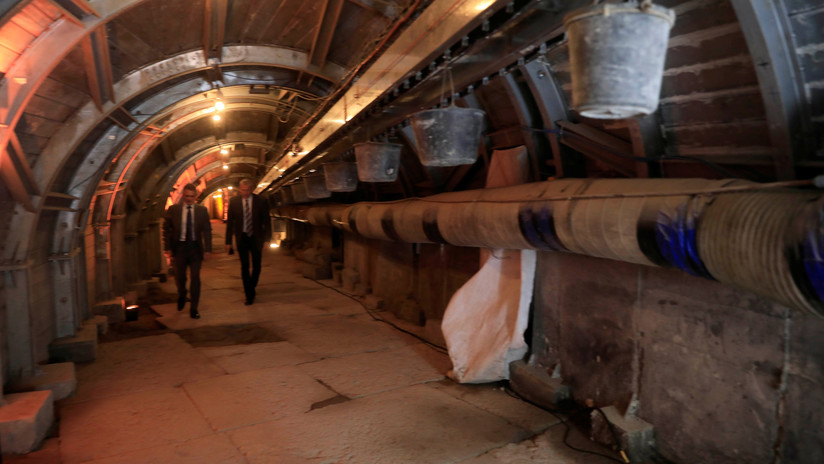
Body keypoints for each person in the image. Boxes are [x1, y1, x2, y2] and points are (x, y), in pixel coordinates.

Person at [163, 183, 212, 319]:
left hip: (195, 248)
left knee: (195, 277)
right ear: (183, 196)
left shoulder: (202, 211)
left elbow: (207, 230)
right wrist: (167, 247)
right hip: (180, 248)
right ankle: (182, 293)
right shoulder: (174, 210)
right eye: (186, 196)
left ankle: (194, 308)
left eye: (191, 196)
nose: (189, 199)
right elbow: (166, 229)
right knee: (180, 277)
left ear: (195, 196)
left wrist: (208, 249)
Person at [225, 178, 271, 305]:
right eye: (243, 190)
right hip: (242, 237)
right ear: (239, 189)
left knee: (257, 266)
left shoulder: (261, 201)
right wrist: (228, 241)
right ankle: (249, 295)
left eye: (247, 190)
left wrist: (267, 239)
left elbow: (267, 221)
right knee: (244, 266)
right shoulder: (234, 202)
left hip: (256, 238)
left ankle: (251, 285)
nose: (245, 193)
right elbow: (230, 223)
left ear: (252, 189)